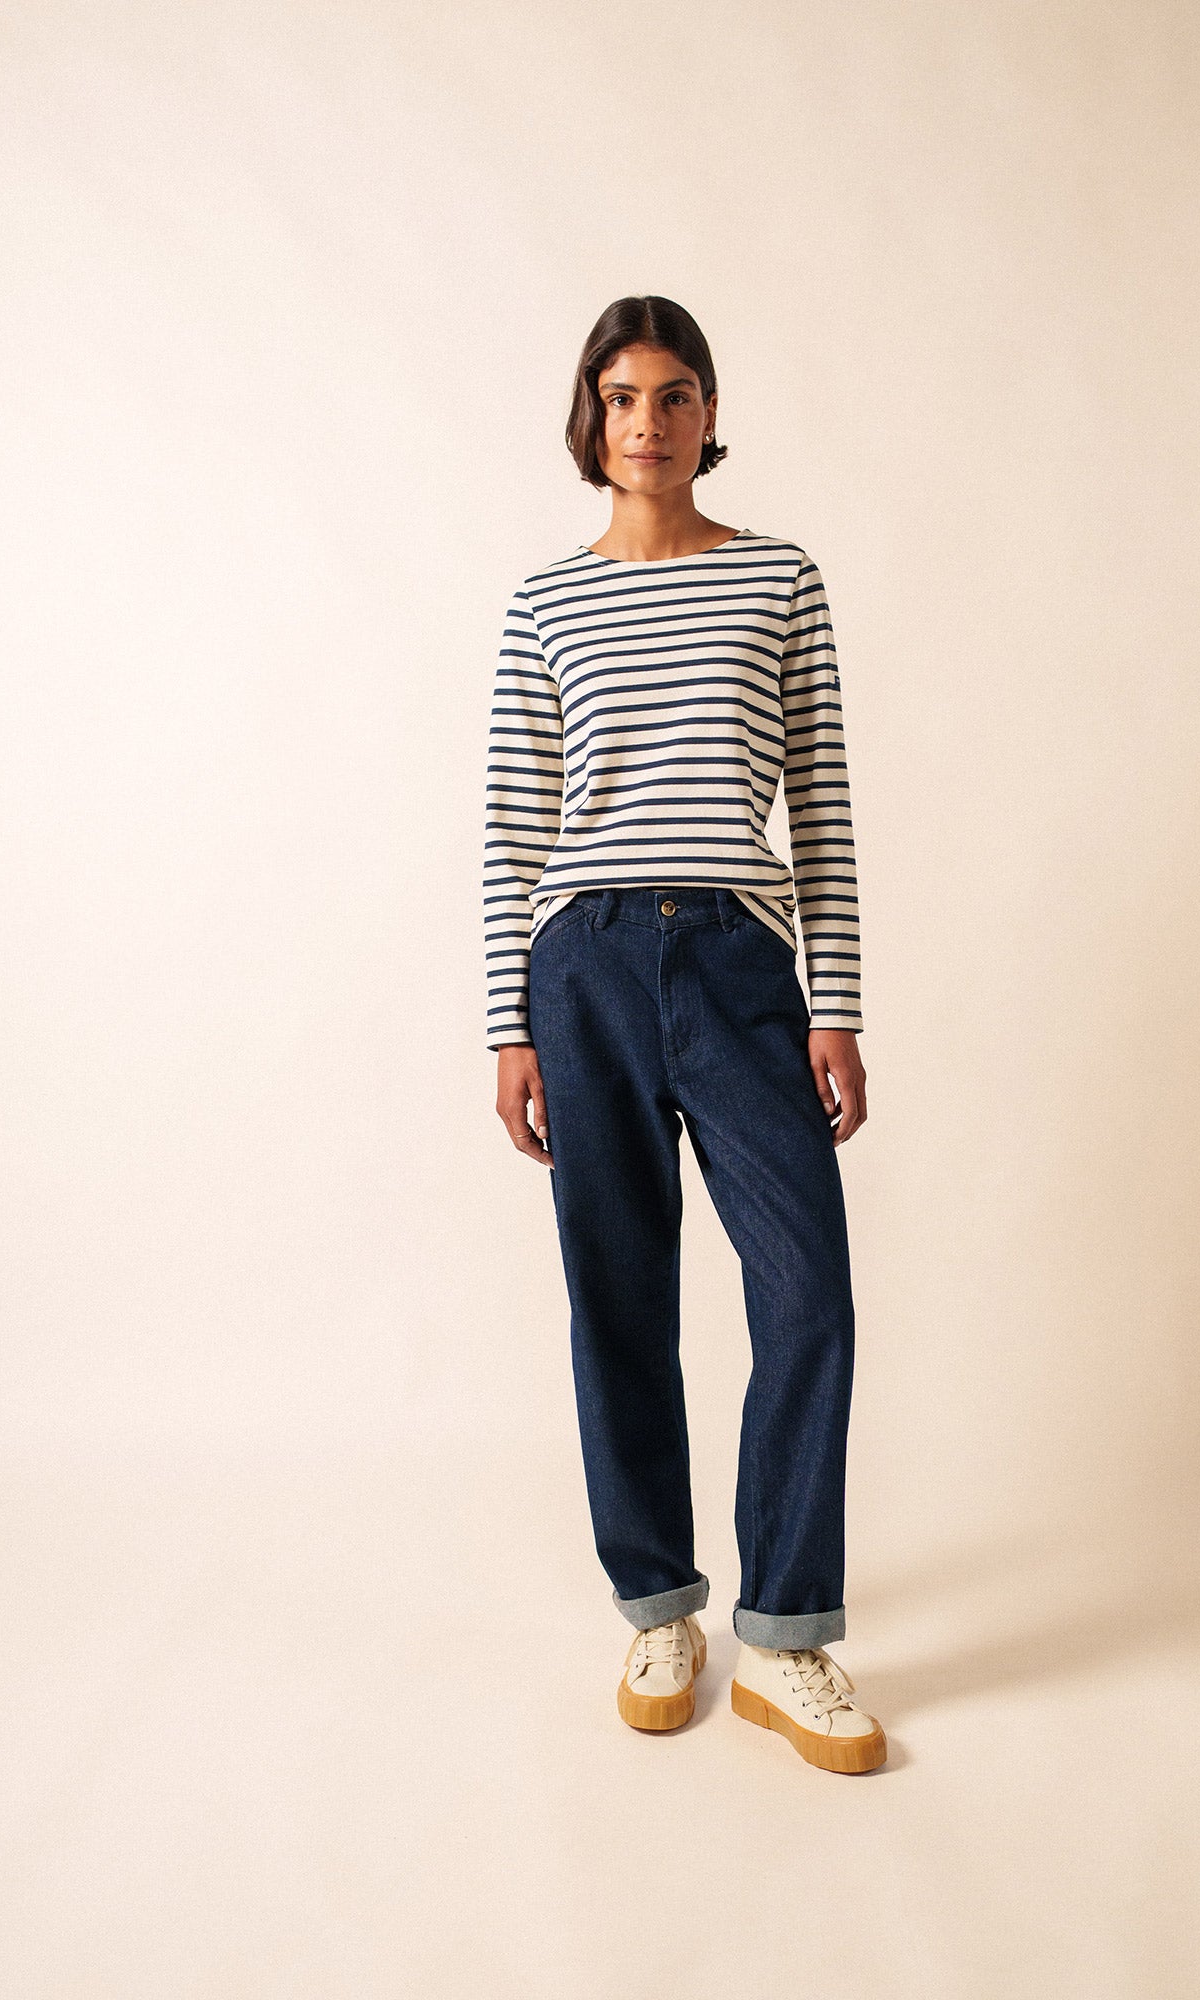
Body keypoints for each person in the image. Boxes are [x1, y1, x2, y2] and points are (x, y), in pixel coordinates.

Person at [482, 295, 885, 1775]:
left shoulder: (779, 577)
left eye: (672, 395)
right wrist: (508, 1026)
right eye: (619, 397)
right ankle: (658, 1606)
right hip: (581, 963)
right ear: (589, 419)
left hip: (736, 960)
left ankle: (785, 1634)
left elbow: (819, 801)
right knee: (618, 1294)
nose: (645, 423)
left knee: (807, 1290)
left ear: (710, 414)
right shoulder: (543, 602)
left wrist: (834, 1001)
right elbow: (514, 823)